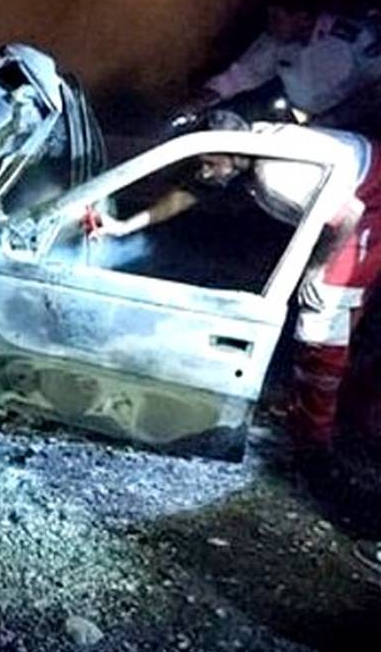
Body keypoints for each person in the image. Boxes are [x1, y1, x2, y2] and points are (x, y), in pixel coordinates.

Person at [90, 120, 379, 463]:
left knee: (322, 315)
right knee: (342, 315)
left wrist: (316, 268)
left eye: (209, 163)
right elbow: (192, 191)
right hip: (360, 181)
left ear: (231, 152)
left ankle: (313, 443)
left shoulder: (278, 176)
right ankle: (340, 403)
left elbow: (349, 215)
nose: (205, 172)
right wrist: (124, 226)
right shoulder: (242, 147)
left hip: (369, 201)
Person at [182, 0, 381, 132]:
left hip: (356, 124)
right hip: (302, 121)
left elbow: (376, 88)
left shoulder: (353, 37)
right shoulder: (274, 40)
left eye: (277, 18)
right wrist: (203, 99)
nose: (270, 24)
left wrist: (333, 120)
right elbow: (242, 74)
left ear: (304, 18)